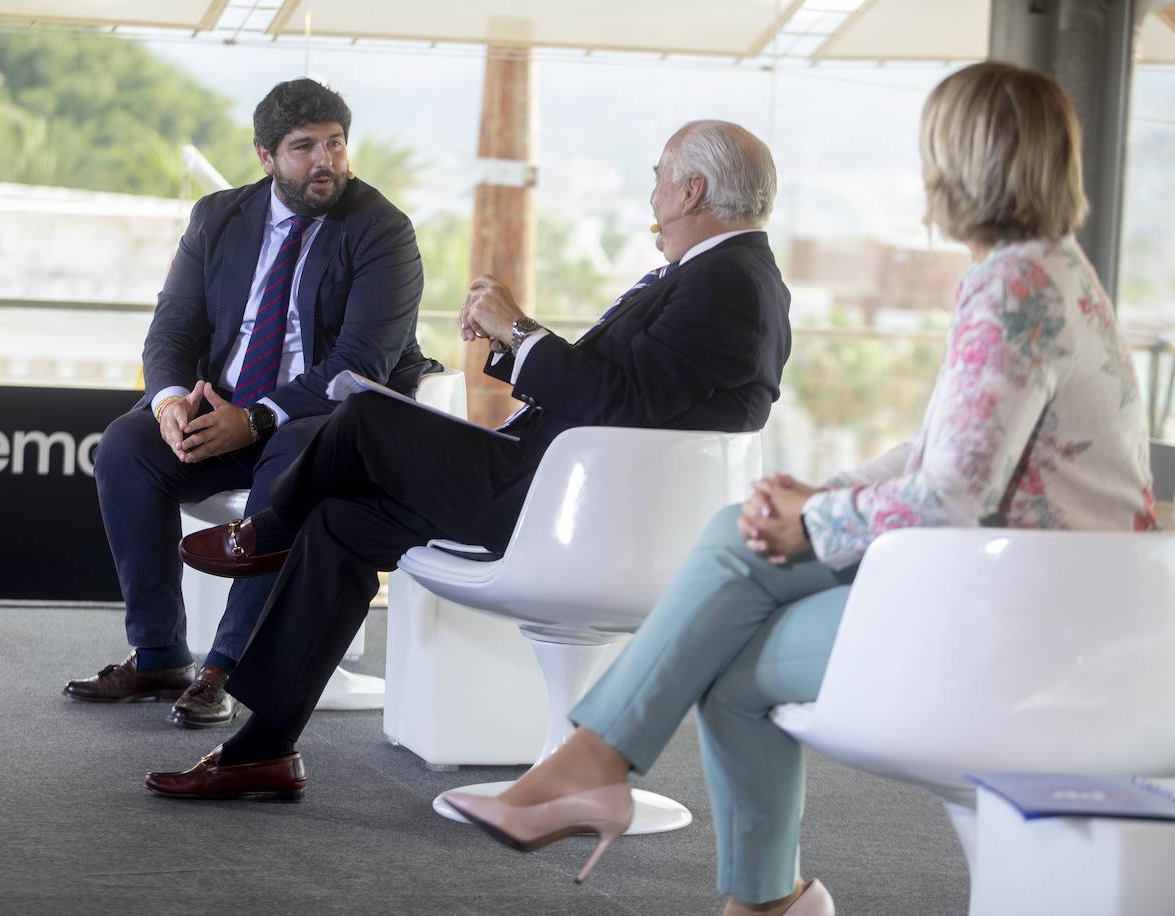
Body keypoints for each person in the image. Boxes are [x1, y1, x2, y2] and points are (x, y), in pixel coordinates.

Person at [444, 61, 1159, 916]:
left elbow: (948, 502)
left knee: (730, 622)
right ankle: (745, 888)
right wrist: (829, 492)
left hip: (1023, 621)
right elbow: (945, 451)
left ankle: (607, 780)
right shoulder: (1054, 271)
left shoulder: (1013, 286)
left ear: (958, 162)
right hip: (1046, 597)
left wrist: (813, 520)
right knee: (733, 610)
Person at [143, 119, 794, 800]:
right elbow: (628, 391)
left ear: (692, 190)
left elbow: (619, 402)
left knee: (363, 417)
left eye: (661, 174)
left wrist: (519, 327)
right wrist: (513, 339)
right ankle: (261, 751)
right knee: (340, 523)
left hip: (576, 513)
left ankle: (266, 533)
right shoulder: (719, 277)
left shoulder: (730, 282)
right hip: (562, 490)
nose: (652, 189)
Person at [64, 78, 433, 728]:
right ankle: (158, 653)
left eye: (335, 143)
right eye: (303, 148)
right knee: (127, 446)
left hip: (324, 423)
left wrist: (257, 419)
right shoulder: (218, 217)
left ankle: (225, 667)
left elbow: (360, 365)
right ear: (264, 156)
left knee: (292, 453)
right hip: (224, 407)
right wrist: (172, 402)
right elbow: (173, 327)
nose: (325, 161)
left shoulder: (381, 231)